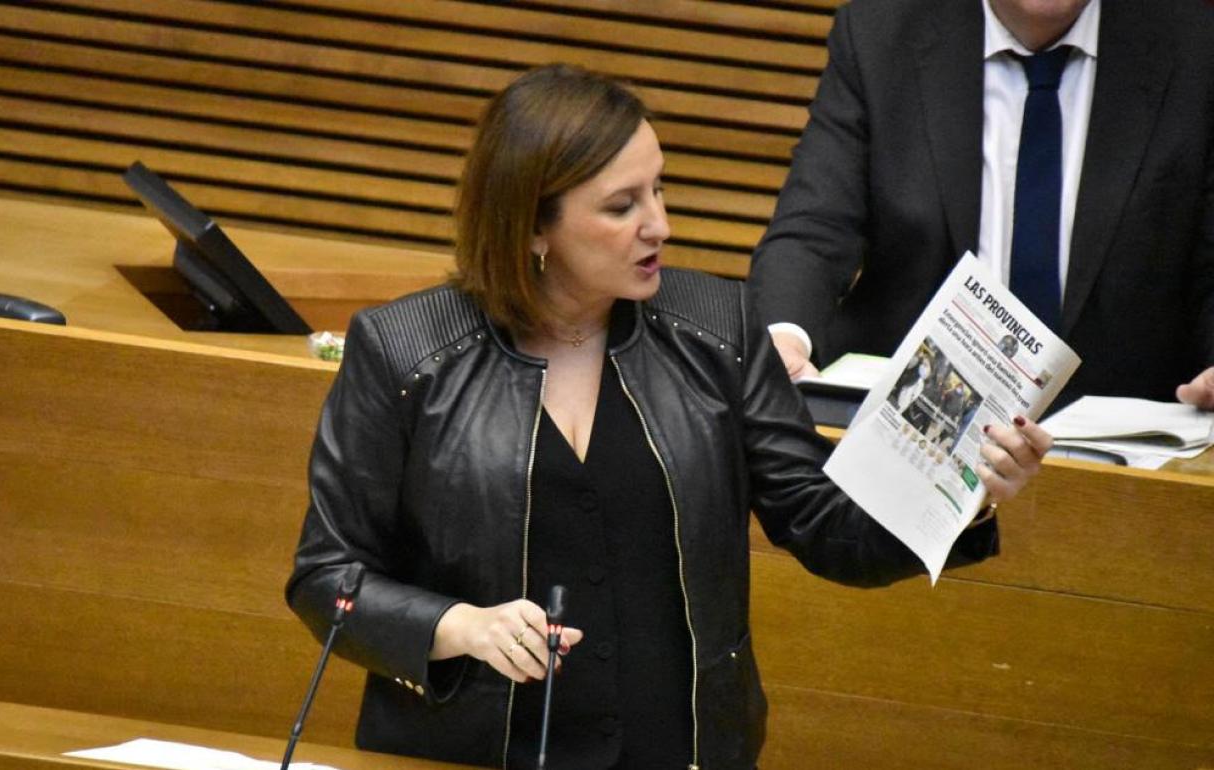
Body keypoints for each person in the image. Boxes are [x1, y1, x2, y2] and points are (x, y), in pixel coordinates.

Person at [285, 64, 1053, 770]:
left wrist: (965, 490)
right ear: (532, 228)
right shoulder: (406, 354)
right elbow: (329, 578)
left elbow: (822, 524)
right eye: (622, 206)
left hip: (678, 747)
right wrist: (459, 627)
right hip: (467, 750)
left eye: (659, 190)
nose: (660, 225)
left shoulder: (718, 329)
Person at [748, 0, 1214, 413]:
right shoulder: (882, 33)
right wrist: (782, 341)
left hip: (1125, 449)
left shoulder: (1196, 49)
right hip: (916, 430)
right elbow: (813, 229)